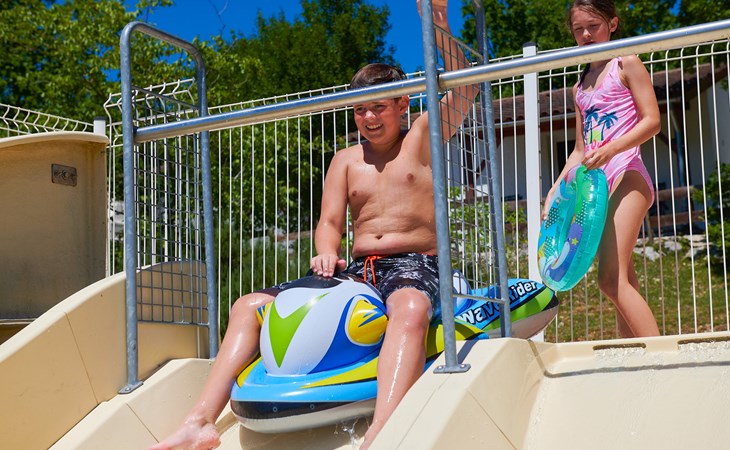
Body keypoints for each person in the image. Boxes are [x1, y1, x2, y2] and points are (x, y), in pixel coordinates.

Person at [150, 1, 476, 449]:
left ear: (403, 103)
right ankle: (199, 422)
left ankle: (383, 430)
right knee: (247, 305)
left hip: (413, 264)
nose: (368, 118)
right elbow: (329, 222)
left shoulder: (421, 138)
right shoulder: (345, 160)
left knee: (410, 309)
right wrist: (326, 250)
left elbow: (465, 85)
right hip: (357, 272)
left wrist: (436, 22)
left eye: (378, 107)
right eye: (359, 110)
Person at [542, 0, 661, 338]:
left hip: (628, 174)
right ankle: (633, 354)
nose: (585, 35)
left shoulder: (626, 63)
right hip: (597, 187)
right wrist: (554, 191)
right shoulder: (578, 87)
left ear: (613, 24)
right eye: (578, 29)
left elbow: (652, 121)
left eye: (593, 26)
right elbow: (580, 150)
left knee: (609, 280)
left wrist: (610, 149)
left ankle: (664, 357)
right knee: (624, 279)